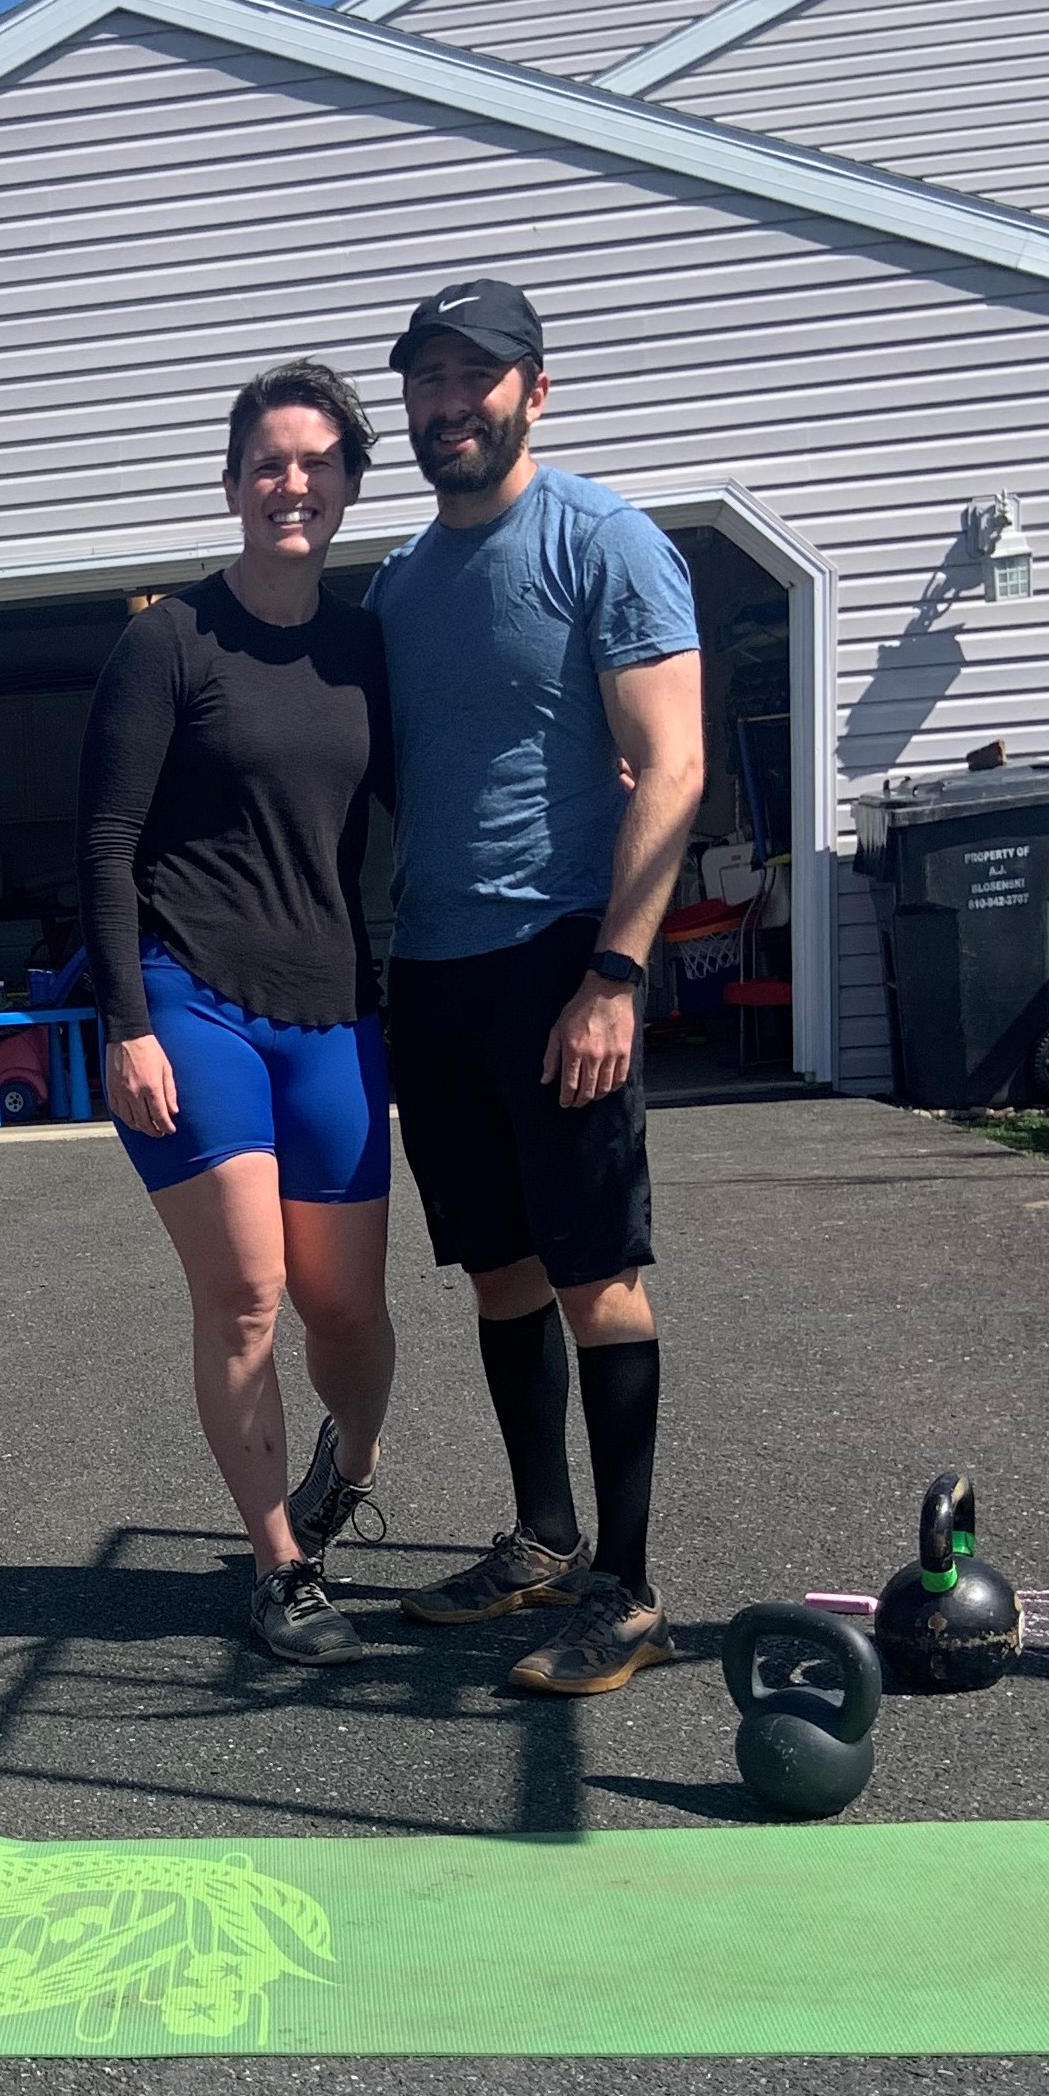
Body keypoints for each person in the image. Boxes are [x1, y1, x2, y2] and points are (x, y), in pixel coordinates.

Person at [365, 278, 704, 1697]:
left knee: (592, 1274)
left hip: (563, 957)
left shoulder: (602, 540)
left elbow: (673, 763)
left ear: (536, 390)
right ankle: (543, 1538)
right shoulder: (398, 583)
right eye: (429, 380)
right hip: (435, 972)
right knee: (499, 1270)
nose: (451, 403)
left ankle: (628, 1592)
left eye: (478, 376)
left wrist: (615, 974)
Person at [76, 361, 396, 1666]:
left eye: (317, 463)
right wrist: (127, 1024)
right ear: (232, 485)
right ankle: (279, 1567)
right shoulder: (168, 643)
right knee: (250, 1292)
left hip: (335, 1013)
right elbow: (105, 842)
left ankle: (349, 1467)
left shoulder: (366, 649)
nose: (292, 483)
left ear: (348, 486)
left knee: (348, 1309)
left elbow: (430, 804)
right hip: (191, 1003)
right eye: (269, 463)